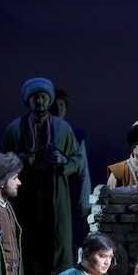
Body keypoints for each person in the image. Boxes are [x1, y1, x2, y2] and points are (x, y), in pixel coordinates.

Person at [0, 77, 83, 275]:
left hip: (54, 192)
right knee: (27, 236)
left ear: (49, 100)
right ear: (28, 100)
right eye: (35, 97)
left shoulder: (62, 128)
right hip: (25, 192)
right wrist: (20, 160)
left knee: (55, 237)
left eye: (43, 97)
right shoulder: (15, 127)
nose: (39, 101)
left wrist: (61, 161)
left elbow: (76, 158)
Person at [49, 88, 91, 259]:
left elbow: (83, 170)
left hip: (69, 191)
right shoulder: (40, 133)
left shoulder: (75, 134)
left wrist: (84, 201)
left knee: (69, 236)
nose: (59, 109)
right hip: (45, 192)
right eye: (55, 105)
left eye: (62, 105)